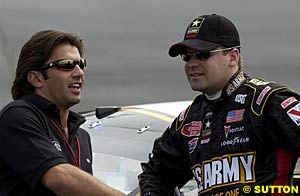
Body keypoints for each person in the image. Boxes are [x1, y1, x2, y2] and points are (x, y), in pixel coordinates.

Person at [138, 14, 300, 196]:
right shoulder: (188, 122)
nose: (192, 64)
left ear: (232, 57)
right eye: (187, 57)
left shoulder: (267, 102)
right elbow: (155, 175)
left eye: (202, 55)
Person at [0, 30, 125, 196]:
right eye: (66, 65)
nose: (79, 72)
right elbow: (58, 178)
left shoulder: (82, 136)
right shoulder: (17, 116)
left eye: (81, 64)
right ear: (36, 78)